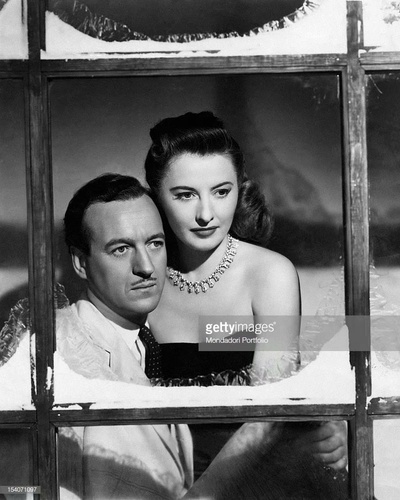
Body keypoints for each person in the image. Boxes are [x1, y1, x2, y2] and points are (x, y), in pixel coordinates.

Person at [144, 111, 348, 475]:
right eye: (185, 195)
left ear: (240, 190)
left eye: (222, 192)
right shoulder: (142, 276)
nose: (206, 214)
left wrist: (205, 495)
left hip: (254, 473)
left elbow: (270, 411)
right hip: (161, 474)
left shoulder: (269, 275)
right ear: (157, 198)